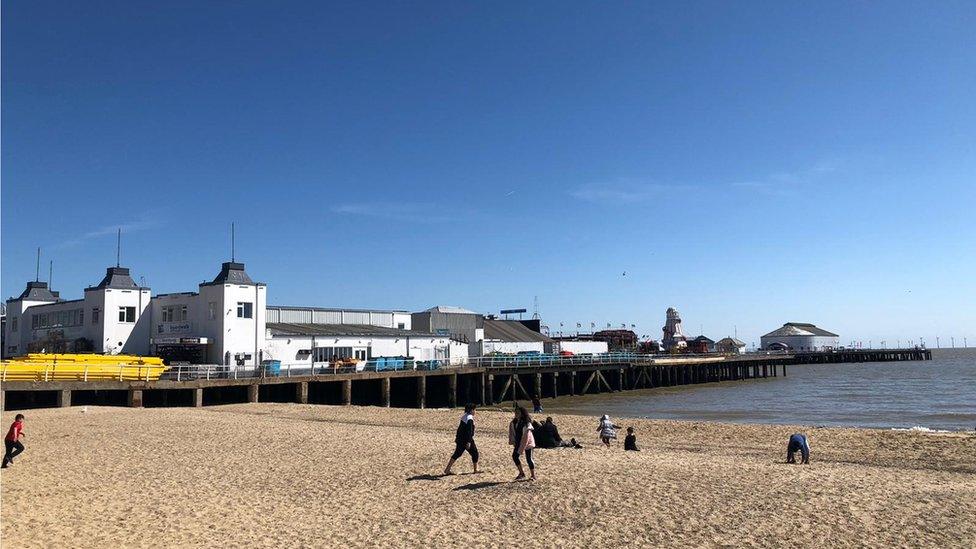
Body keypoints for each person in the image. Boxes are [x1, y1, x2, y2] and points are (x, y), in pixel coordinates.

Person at [444, 404, 479, 475]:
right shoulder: (469, 418)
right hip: (466, 440)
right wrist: (469, 442)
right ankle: (476, 470)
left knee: (457, 454)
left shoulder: (464, 416)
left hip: (460, 439)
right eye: (475, 410)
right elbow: (469, 431)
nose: (475, 411)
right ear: (472, 410)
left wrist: (457, 438)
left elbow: (459, 430)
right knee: (475, 453)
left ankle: (447, 469)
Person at [509, 405, 536, 480]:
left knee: (529, 459)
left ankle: (533, 475)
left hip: (528, 443)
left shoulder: (526, 424)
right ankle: (521, 473)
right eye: (515, 412)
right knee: (514, 456)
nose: (516, 414)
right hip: (518, 442)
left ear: (522, 414)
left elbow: (526, 438)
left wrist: (521, 449)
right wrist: (513, 442)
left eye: (518, 413)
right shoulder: (513, 422)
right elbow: (512, 433)